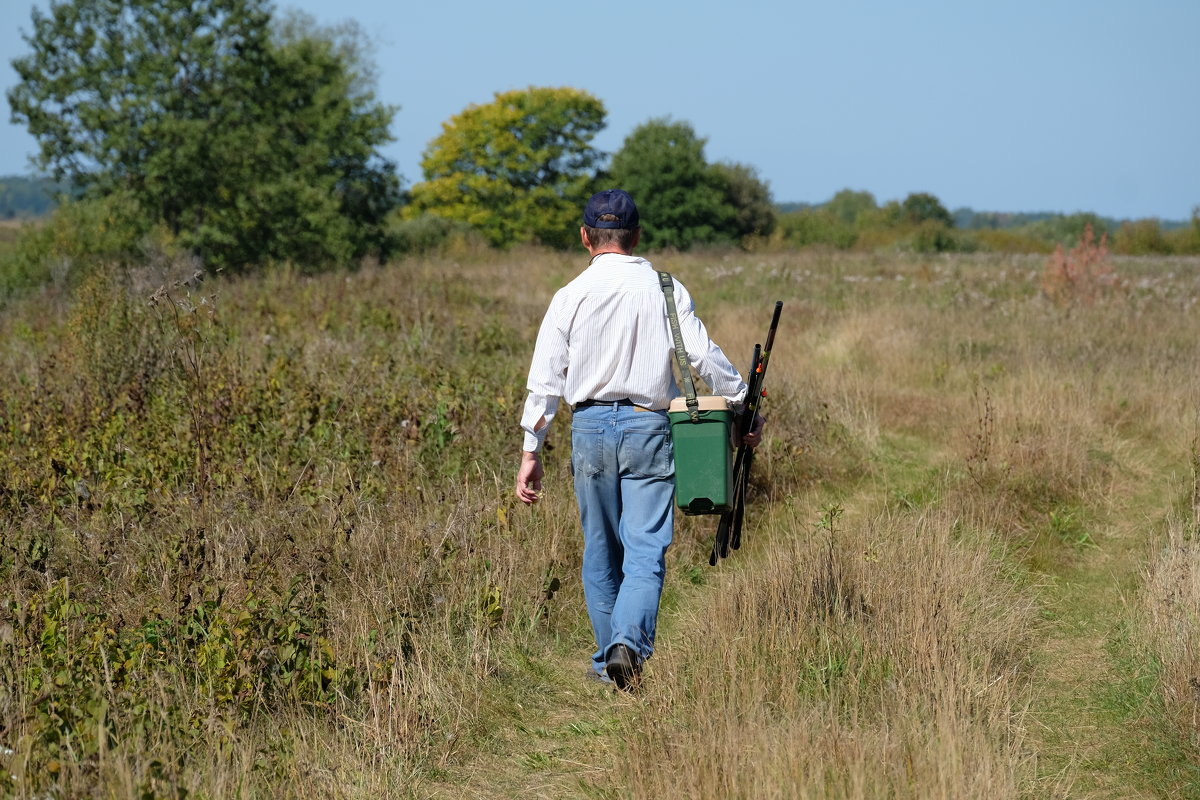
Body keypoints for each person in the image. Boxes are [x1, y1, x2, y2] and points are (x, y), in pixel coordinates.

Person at [515, 188, 764, 690]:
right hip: (650, 428)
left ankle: (611, 666)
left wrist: (530, 451)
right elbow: (703, 355)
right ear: (637, 236)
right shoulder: (665, 289)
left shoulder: (569, 296)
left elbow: (545, 380)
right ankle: (627, 645)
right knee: (646, 549)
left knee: (600, 551)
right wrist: (742, 400)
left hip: (587, 429)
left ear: (586, 238)